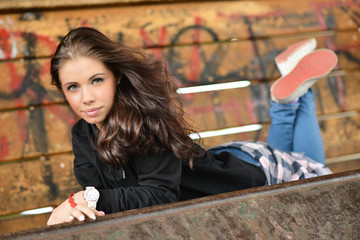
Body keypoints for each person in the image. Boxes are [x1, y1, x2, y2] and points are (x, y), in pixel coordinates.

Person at [47, 27, 336, 225]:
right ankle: (290, 91)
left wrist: (83, 199)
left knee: (317, 176)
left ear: (117, 76)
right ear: (62, 90)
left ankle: (287, 102)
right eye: (73, 87)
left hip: (244, 175)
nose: (86, 98)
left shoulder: (143, 123)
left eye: (97, 80)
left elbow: (159, 194)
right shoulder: (82, 134)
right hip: (214, 168)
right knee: (305, 165)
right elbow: (100, 194)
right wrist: (85, 203)